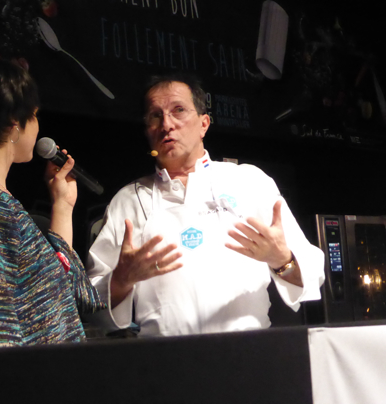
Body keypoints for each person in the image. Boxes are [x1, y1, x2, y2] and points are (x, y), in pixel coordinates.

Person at [86, 74, 324, 337]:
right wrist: (121, 279)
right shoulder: (128, 200)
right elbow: (91, 304)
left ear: (204, 124)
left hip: (249, 352)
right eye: (155, 115)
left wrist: (282, 260)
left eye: (178, 110)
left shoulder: (250, 181)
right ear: (147, 131)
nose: (167, 124)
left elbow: (312, 275)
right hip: (164, 358)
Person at [0, 59, 104, 349]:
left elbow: (69, 291)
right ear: (14, 123)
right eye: (34, 116)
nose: (37, 127)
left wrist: (62, 205)